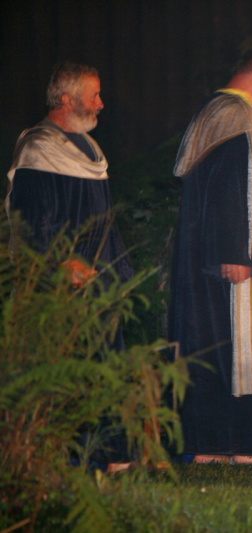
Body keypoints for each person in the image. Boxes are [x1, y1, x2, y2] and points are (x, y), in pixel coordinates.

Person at [5, 61, 134, 471]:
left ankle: (111, 454)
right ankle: (68, 457)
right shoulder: (38, 149)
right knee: (67, 371)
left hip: (99, 281)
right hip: (60, 287)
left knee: (105, 366)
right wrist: (59, 263)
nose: (101, 103)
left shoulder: (91, 151)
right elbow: (29, 223)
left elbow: (105, 221)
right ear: (66, 100)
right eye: (94, 95)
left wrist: (121, 272)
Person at [169, 46, 252, 464]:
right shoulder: (234, 115)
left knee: (217, 343)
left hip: (224, 261)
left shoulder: (220, 112)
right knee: (235, 347)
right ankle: (239, 444)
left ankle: (220, 443)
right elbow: (231, 189)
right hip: (236, 263)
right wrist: (238, 252)